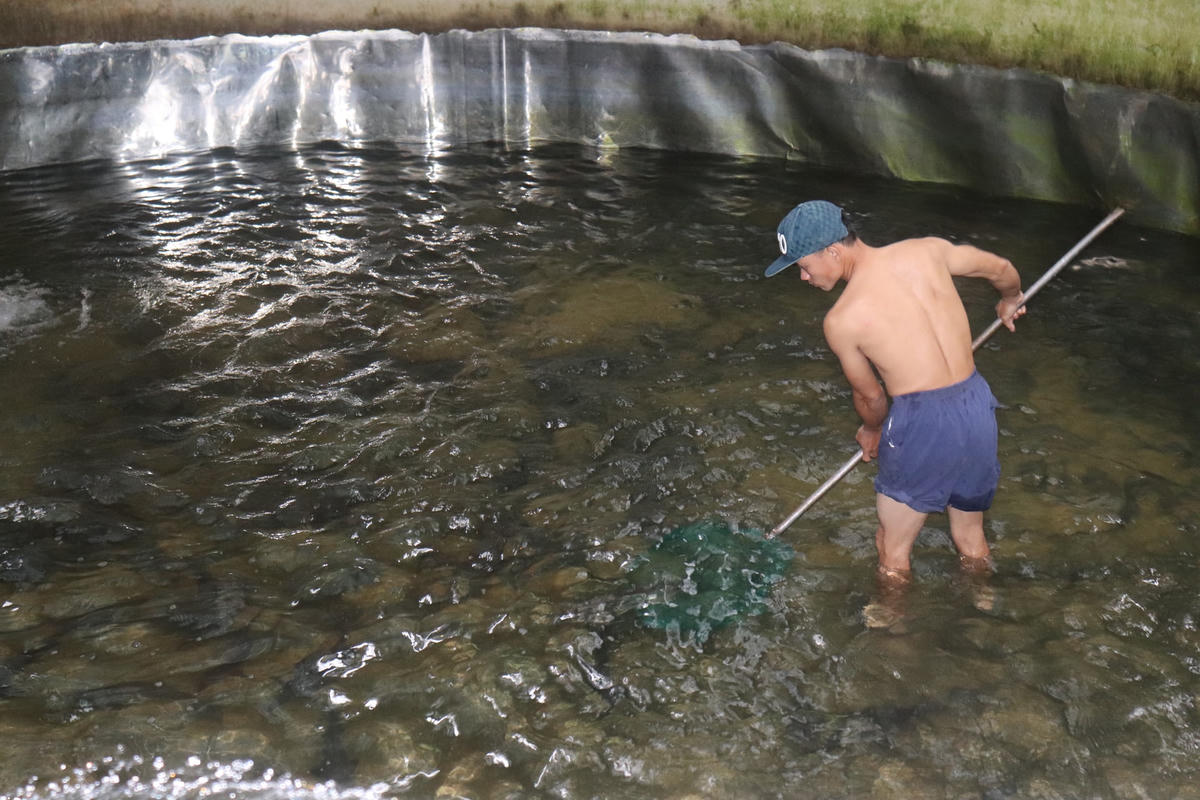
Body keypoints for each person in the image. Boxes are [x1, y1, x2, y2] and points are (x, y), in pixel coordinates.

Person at [765, 200, 1026, 590]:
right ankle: (985, 605)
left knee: (892, 548)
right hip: (976, 404)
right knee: (970, 536)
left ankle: (891, 625)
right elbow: (1001, 269)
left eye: (803, 266)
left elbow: (871, 398)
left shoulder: (843, 320)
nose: (803, 277)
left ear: (832, 251)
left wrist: (872, 430)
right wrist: (1011, 298)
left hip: (923, 421)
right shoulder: (928, 250)